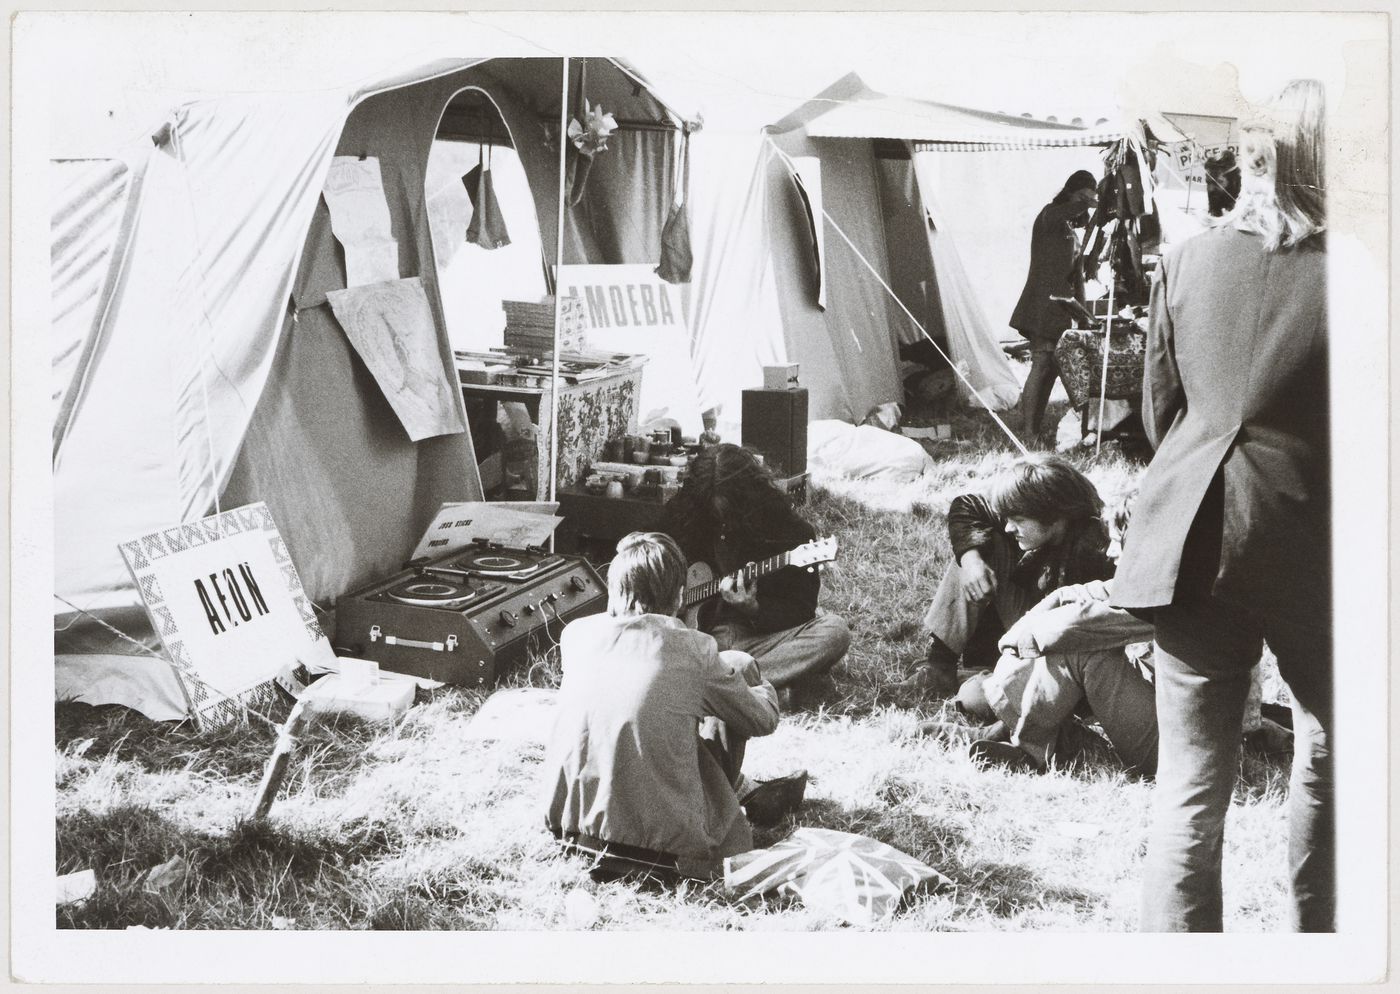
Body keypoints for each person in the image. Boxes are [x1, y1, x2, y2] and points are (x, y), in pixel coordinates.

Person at [1110, 80, 1331, 932]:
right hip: (1312, 539)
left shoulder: (1190, 259)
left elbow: (1162, 415)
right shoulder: (1364, 268)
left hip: (1192, 534)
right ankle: (1325, 948)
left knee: (1190, 788)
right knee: (1331, 754)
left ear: (1253, 155)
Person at [541, 532, 807, 882]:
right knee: (740, 664)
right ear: (680, 595)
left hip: (572, 831)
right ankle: (734, 794)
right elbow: (763, 720)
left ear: (613, 589)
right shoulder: (694, 650)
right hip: (664, 853)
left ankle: (739, 788)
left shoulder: (575, 634)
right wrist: (760, 685)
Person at [895, 454, 1114, 700]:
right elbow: (967, 506)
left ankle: (990, 676)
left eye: (1018, 520)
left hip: (1058, 650)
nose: (1009, 527)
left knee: (975, 698)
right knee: (977, 547)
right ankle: (939, 667)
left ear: (1054, 515)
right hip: (1030, 621)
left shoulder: (1097, 551)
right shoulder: (1034, 512)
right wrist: (971, 561)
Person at [660, 444, 850, 704]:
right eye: (715, 514)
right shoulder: (690, 514)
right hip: (703, 639)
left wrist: (754, 609)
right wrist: (670, 592)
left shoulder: (792, 533)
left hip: (762, 639)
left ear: (750, 496)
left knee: (835, 631)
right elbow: (649, 543)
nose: (723, 521)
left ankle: (719, 684)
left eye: (729, 513)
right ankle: (772, 686)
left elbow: (801, 609)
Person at [1010, 170, 1099, 438]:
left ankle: (1034, 427)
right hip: (1042, 304)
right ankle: (1028, 431)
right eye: (1081, 196)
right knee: (1041, 364)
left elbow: (1077, 277)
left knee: (1049, 368)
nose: (1084, 203)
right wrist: (1090, 203)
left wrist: (1084, 315)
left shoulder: (1069, 229)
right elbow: (1062, 212)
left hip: (1060, 308)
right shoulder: (1049, 215)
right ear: (1070, 193)